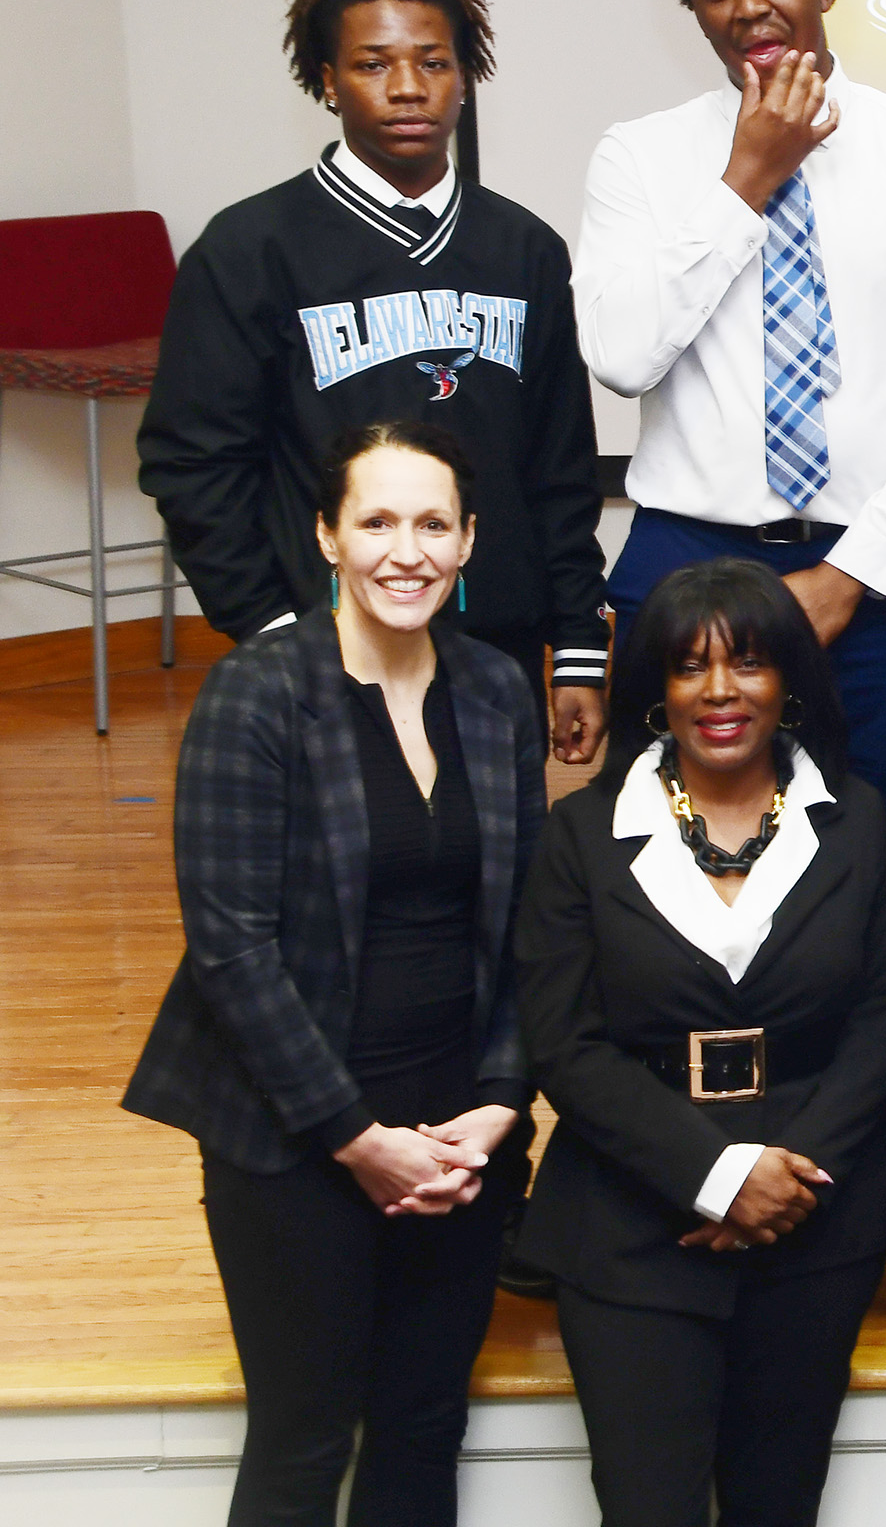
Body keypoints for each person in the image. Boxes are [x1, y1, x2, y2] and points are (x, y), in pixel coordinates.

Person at [123, 419, 543, 1525]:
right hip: (296, 1140)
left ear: (468, 541)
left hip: (456, 1136)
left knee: (421, 1427)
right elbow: (230, 951)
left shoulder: (501, 692)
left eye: (433, 524)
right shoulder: (258, 695)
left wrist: (499, 1105)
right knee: (305, 1440)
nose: (406, 551)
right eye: (377, 521)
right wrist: (360, 1141)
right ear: (326, 536)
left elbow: (530, 930)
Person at [575, 0, 886, 822]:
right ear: (692, 8)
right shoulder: (639, 159)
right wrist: (745, 181)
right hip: (686, 563)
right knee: (673, 843)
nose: (748, 6)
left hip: (883, 572)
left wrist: (851, 570)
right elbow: (620, 356)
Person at [140, 0, 610, 762]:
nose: (406, 87)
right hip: (325, 652)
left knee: (502, 880)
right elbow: (194, 465)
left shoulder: (524, 248)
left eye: (433, 61)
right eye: (372, 64)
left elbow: (560, 466)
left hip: (498, 645)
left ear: (466, 74)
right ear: (327, 80)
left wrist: (576, 648)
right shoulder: (249, 249)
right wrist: (271, 632)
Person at [512, 559, 886, 1527]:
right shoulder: (581, 834)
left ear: (791, 684)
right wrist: (718, 1175)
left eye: (749, 664)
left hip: (814, 1227)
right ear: (655, 690)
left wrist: (785, 1182)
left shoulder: (857, 823)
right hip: (631, 1225)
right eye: (690, 668)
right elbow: (564, 1043)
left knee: (781, 1508)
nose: (720, 692)